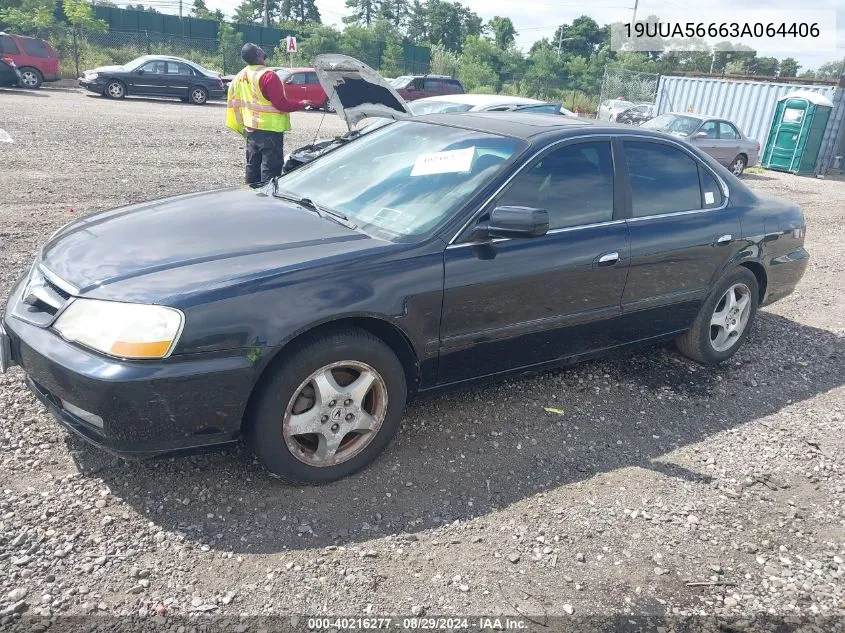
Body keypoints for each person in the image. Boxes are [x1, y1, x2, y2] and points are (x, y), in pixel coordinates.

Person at [226, 43, 311, 185]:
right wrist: (302, 103)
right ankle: (266, 199)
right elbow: (281, 104)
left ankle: (250, 195)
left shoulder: (240, 76)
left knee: (252, 166)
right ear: (258, 54)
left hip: (251, 128)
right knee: (270, 169)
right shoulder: (268, 76)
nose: (262, 49)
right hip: (270, 131)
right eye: (259, 48)